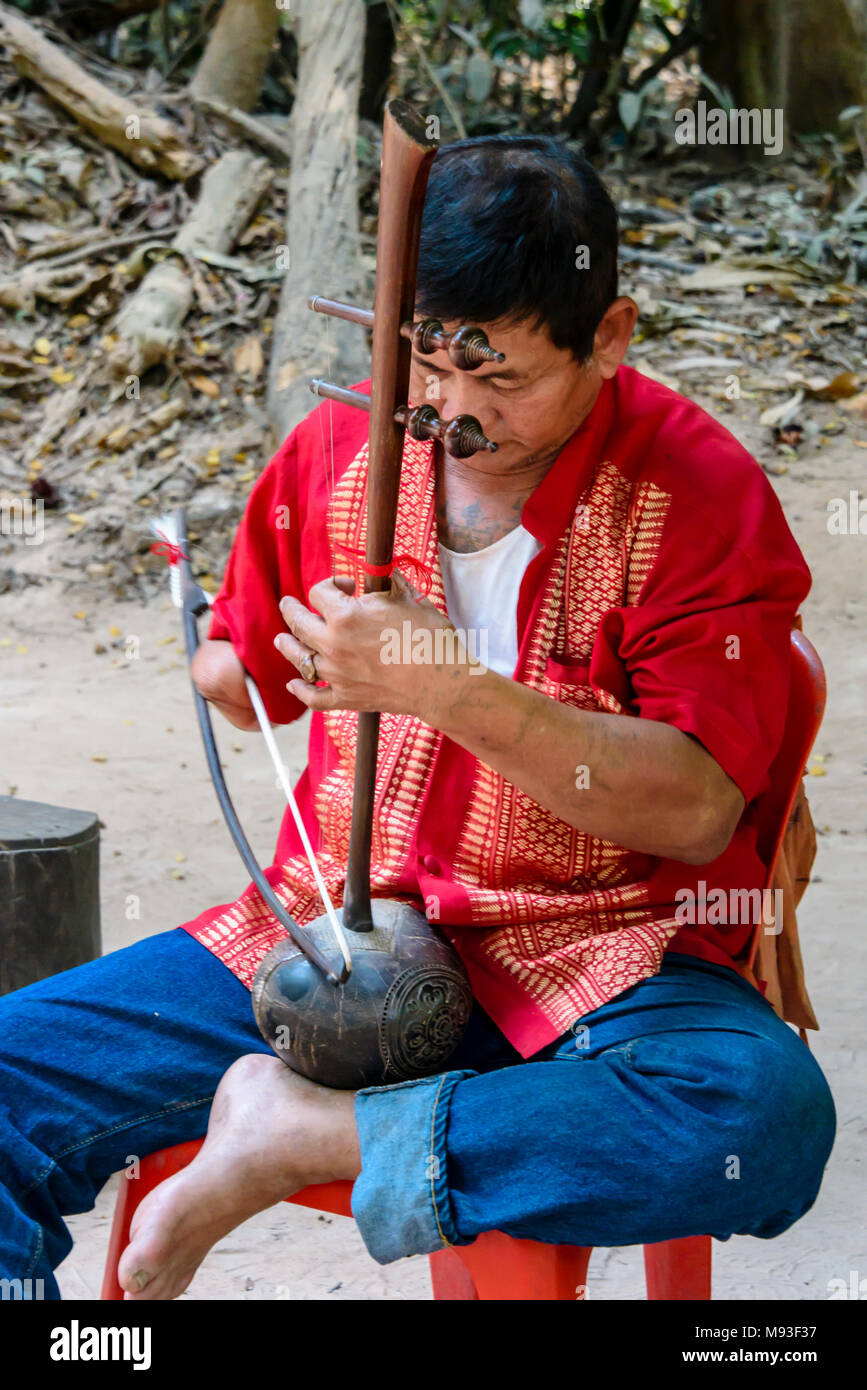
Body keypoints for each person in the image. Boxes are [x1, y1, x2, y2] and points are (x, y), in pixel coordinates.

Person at [0, 135, 835, 1301]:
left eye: (501, 380)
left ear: (609, 337)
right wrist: (228, 666)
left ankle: (299, 1133)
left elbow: (698, 809)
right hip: (328, 947)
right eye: (431, 368)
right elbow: (256, 679)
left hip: (601, 962)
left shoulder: (695, 493)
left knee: (760, 1116)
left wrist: (449, 690)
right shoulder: (345, 445)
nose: (452, 413)